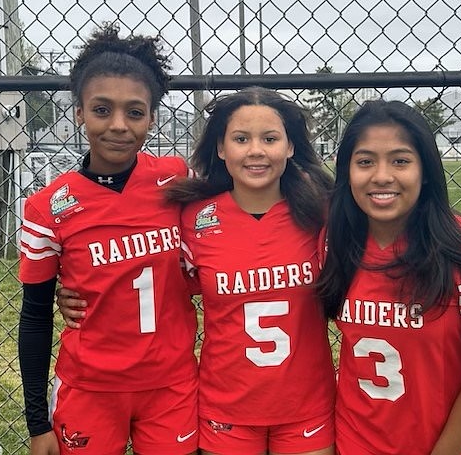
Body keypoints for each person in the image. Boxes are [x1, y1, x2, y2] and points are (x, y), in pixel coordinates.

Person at [59, 86, 337, 455]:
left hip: (306, 405)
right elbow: (151, 276)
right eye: (241, 138)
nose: (255, 150)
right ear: (222, 149)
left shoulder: (322, 215)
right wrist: (81, 292)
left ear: (290, 147)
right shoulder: (194, 221)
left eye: (270, 138)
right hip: (226, 408)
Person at [18, 23, 198, 455]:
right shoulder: (46, 208)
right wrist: (37, 421)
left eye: (135, 112)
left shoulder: (177, 179)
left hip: (171, 384)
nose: (119, 125)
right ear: (79, 111)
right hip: (90, 387)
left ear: (153, 117)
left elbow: (220, 245)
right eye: (102, 109)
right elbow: (36, 316)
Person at [316, 99, 461, 455]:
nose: (381, 176)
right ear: (347, 170)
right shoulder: (334, 242)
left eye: (400, 160)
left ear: (425, 169)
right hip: (355, 442)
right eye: (365, 162)